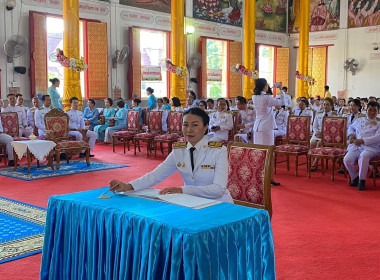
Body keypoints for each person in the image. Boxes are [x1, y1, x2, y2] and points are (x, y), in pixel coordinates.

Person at [109, 107, 233, 203]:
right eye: (185, 125)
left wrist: (183, 190)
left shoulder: (218, 150)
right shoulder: (179, 150)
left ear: (205, 127)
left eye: (195, 125)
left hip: (218, 204)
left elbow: (218, 189)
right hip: (191, 204)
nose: (189, 130)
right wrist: (129, 186)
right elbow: (156, 175)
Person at [252, 78, 285, 186]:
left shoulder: (254, 97)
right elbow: (282, 102)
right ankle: (269, 178)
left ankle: (259, 177)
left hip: (257, 128)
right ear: (264, 86)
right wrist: (281, 89)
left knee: (259, 154)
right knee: (269, 154)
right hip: (266, 128)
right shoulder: (267, 98)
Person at [343, 102, 380, 191]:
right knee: (347, 160)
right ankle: (355, 178)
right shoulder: (360, 119)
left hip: (371, 148)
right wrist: (351, 135)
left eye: (374, 111)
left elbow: (377, 137)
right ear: (366, 110)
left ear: (378, 112)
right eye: (369, 110)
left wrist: (363, 141)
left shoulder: (378, 123)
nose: (371, 112)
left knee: (364, 156)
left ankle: (361, 180)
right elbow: (351, 128)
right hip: (357, 146)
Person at [310, 97, 337, 171]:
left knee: (319, 143)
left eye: (328, 105)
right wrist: (317, 133)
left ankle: (315, 163)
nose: (325, 106)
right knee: (312, 143)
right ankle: (315, 160)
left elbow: (334, 129)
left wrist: (324, 134)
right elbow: (314, 126)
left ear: (331, 106)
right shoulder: (319, 114)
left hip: (329, 135)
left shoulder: (335, 115)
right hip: (318, 133)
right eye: (324, 104)